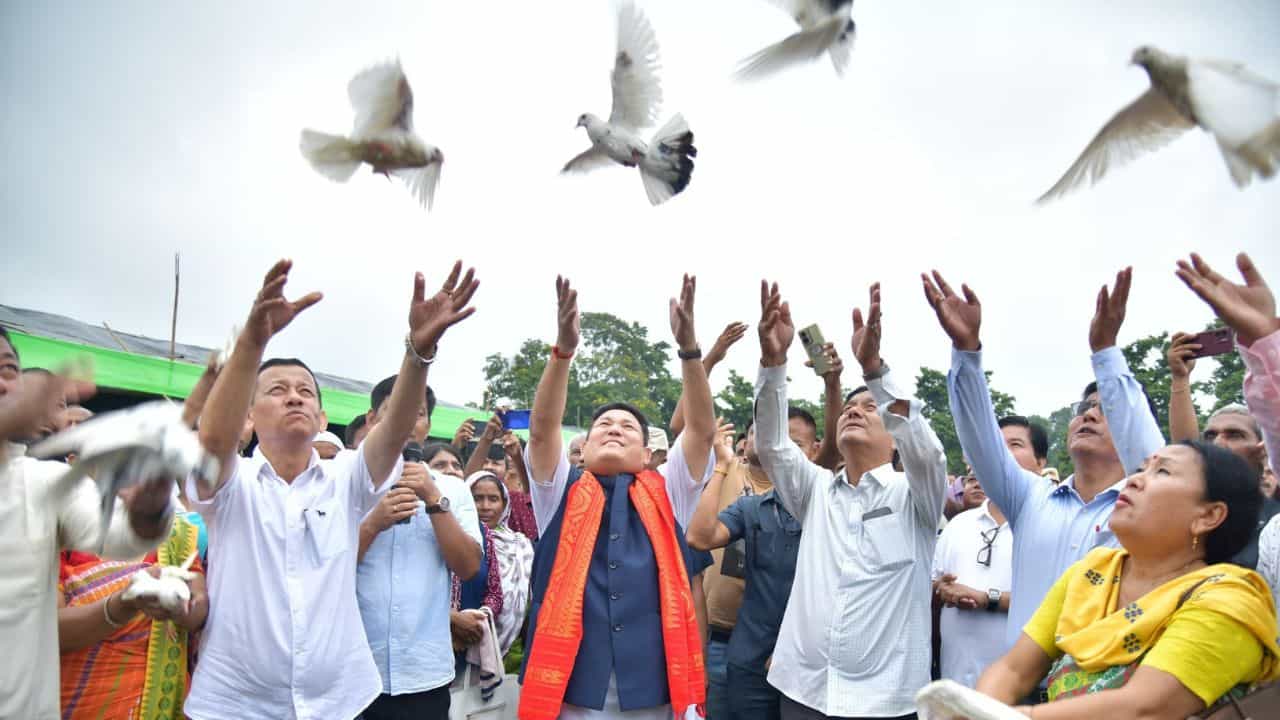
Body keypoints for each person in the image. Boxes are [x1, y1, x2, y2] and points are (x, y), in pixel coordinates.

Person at [183, 259, 479, 720]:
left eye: (305, 390)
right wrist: (252, 343)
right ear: (250, 414)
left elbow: (393, 430)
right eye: (277, 390)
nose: (294, 396)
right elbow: (213, 441)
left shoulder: (344, 480)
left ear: (321, 417)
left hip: (339, 703)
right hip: (237, 705)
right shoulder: (229, 486)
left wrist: (418, 352)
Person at [924, 268, 1166, 653]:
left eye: (1106, 410)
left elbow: (1155, 459)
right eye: (1085, 407)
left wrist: (1105, 352)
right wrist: (967, 352)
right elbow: (980, 439)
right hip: (1021, 694)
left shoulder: (1152, 504)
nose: (1088, 415)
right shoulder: (1031, 498)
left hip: (1104, 699)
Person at [519, 275, 715, 720]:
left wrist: (689, 350)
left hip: (651, 687)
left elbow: (702, 430)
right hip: (573, 686)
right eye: (603, 424)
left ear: (648, 454)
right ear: (583, 450)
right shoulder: (559, 491)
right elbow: (542, 428)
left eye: (627, 427)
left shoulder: (671, 493)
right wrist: (563, 351)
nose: (613, 428)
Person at [754, 281, 948, 719]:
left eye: (869, 408)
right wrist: (773, 362)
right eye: (847, 409)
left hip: (885, 701)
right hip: (804, 690)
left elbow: (928, 452)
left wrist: (875, 372)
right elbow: (772, 445)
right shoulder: (817, 491)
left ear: (895, 440)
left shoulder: (917, 497)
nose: (854, 411)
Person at [976, 441, 1279, 717]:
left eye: (1162, 471)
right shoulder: (1091, 574)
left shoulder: (1227, 601)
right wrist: (974, 710)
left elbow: (1143, 708)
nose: (1135, 479)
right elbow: (1014, 669)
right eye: (1141, 468)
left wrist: (1010, 718)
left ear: (1209, 516)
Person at [1, 326, 176, 720]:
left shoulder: (41, 481)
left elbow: (122, 538)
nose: (2, 382)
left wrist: (149, 509)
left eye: (9, 368)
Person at [358, 372, 484, 720]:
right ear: (371, 420)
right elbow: (323, 566)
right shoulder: (343, 481)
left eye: (416, 413)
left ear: (427, 425)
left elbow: (470, 567)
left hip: (423, 672)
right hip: (353, 669)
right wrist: (372, 524)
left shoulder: (452, 489)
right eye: (394, 409)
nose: (405, 421)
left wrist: (433, 498)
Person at [1175, 251, 1280, 633]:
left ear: (1263, 447)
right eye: (1211, 435)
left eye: (1234, 434)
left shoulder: (1273, 521)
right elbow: (1187, 455)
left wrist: (1266, 343)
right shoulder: (1183, 524)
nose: (1218, 443)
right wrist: (1179, 381)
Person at [688, 419, 802, 720]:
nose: (765, 440)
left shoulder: (807, 498)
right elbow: (699, 537)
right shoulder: (728, 472)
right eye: (755, 432)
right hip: (720, 637)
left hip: (783, 644)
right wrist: (721, 464)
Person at [57, 514, 208, 719]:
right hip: (78, 705)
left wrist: (180, 606)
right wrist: (122, 604)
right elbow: (49, 632)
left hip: (159, 708)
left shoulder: (177, 537)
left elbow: (199, 612)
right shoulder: (61, 538)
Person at [467, 470, 535, 655]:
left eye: (493, 499)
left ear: (505, 504)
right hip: (463, 639)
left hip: (513, 650)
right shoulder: (455, 542)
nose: (485, 506)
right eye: (477, 498)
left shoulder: (521, 544)